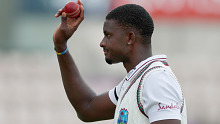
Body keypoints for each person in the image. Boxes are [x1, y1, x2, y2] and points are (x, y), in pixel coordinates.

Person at [53, 0, 187, 124]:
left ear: (129, 38)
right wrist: (61, 46)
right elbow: (87, 108)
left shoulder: (156, 79)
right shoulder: (136, 81)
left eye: (108, 35)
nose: (102, 43)